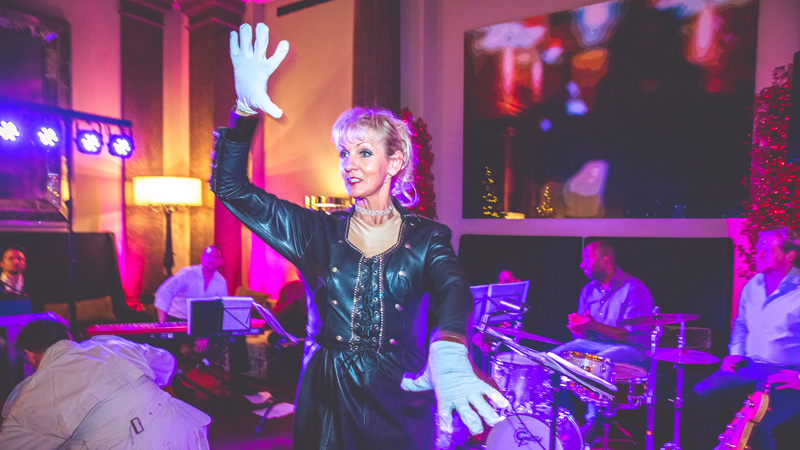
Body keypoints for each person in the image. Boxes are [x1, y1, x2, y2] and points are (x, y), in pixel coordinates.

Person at [210, 23, 507, 450]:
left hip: (403, 391)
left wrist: (450, 344)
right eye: (344, 153)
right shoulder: (316, 232)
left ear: (394, 162)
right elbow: (231, 187)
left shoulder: (428, 237)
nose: (349, 163)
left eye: (364, 152)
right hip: (327, 393)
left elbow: (454, 290)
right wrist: (244, 112)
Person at [0, 318, 211, 449]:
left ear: (29, 354)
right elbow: (167, 362)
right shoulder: (111, 343)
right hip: (182, 431)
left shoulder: (32, 393)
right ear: (68, 337)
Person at [688, 227, 800, 450]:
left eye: (767, 250)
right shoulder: (753, 285)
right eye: (758, 249)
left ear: (789, 255)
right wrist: (735, 354)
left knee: (756, 424)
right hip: (748, 366)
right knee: (696, 399)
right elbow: (741, 324)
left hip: (785, 373)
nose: (758, 255)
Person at [552, 240, 654, 444]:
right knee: (553, 358)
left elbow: (631, 335)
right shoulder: (587, 290)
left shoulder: (633, 288)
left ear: (604, 260)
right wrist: (578, 329)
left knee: (595, 361)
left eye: (586, 259)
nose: (581, 264)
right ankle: (566, 422)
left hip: (630, 349)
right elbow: (583, 338)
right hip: (595, 345)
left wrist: (592, 325)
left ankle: (594, 422)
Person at [153, 245, 251, 394]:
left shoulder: (221, 282)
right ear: (202, 258)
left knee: (237, 336)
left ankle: (237, 381)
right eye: (208, 256)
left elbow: (218, 309)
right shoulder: (188, 273)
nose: (212, 259)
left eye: (216, 257)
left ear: (221, 261)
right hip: (178, 320)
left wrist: (205, 334)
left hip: (203, 324)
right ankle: (177, 385)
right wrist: (163, 325)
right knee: (168, 344)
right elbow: (164, 292)